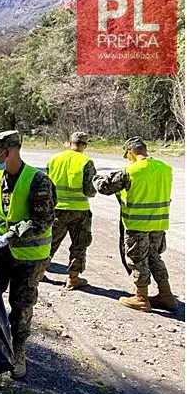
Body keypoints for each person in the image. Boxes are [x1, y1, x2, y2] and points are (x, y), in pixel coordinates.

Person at [0, 130, 56, 379]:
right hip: (1, 253)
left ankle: (18, 351)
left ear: (10, 151)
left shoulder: (38, 180)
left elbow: (43, 220)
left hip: (30, 257)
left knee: (21, 306)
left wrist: (11, 235)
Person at [93, 137, 176, 312]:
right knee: (154, 257)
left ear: (130, 152)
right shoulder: (165, 168)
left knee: (138, 259)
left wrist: (96, 178)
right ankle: (166, 295)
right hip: (159, 223)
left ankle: (141, 297)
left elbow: (104, 187)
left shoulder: (131, 171)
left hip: (137, 224)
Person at [46, 132, 96, 289]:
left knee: (49, 242)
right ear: (84, 145)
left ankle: (39, 272)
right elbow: (90, 190)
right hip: (79, 211)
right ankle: (73, 278)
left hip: (56, 210)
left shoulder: (54, 159)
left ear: (69, 143)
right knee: (79, 245)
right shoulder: (86, 161)